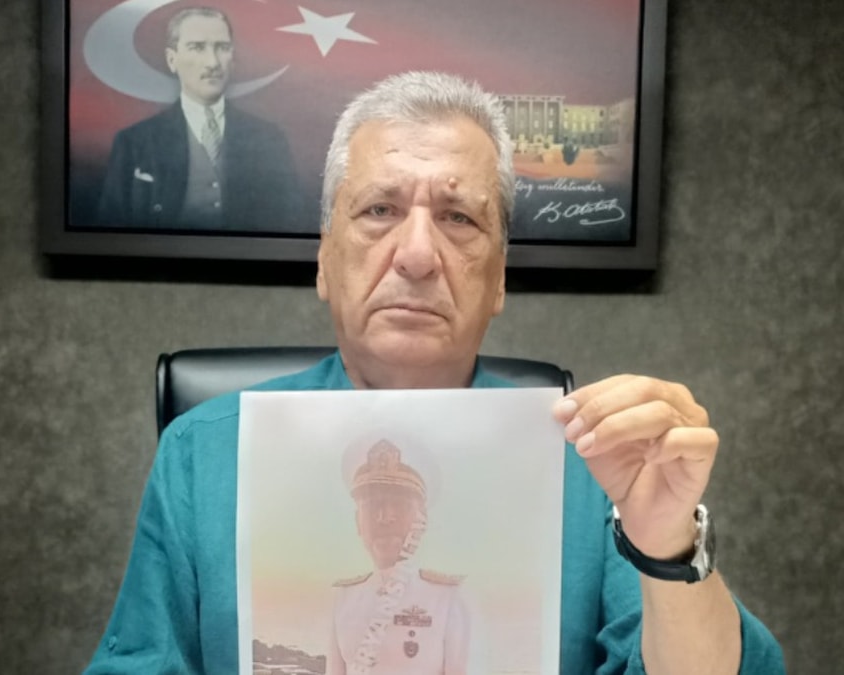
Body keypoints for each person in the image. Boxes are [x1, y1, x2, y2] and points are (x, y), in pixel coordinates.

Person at [84, 71, 785, 674]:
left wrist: (666, 544)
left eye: (458, 218)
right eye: (379, 210)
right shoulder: (203, 454)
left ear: (499, 278)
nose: (417, 255)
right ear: (324, 260)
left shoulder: (592, 466)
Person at [96, 6, 302, 231]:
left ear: (233, 58)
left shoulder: (269, 140)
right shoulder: (134, 142)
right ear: (172, 59)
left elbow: (289, 223)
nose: (212, 62)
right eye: (197, 47)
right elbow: (111, 232)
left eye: (222, 48)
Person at [327, 438, 471, 674]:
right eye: (373, 506)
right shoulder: (344, 598)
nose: (385, 518)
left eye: (400, 505)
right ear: (357, 522)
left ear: (422, 519)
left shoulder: (448, 598)